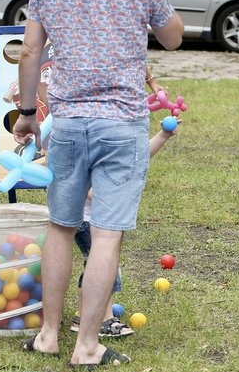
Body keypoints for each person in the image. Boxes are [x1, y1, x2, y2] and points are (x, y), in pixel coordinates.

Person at [12, 0, 183, 369]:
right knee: (106, 234)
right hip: (122, 124)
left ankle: (48, 335)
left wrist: (28, 114)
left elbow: (29, 51)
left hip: (66, 121)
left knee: (61, 228)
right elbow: (172, 38)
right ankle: (87, 345)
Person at [69, 122, 178, 336]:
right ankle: (104, 318)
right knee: (105, 267)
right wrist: (111, 197)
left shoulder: (114, 147)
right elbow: (84, 187)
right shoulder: (91, 145)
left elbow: (138, 157)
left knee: (94, 265)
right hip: (88, 220)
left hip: (101, 219)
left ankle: (83, 317)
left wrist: (163, 136)